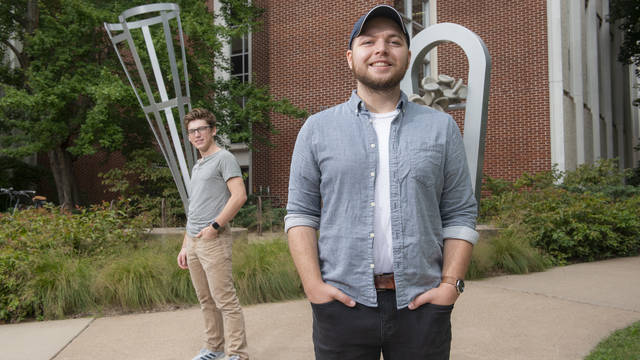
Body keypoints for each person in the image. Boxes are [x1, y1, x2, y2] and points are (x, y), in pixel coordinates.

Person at [285, 5, 478, 359]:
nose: (381, 49)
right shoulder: (317, 129)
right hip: (342, 306)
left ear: (406, 55)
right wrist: (313, 285)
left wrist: (450, 284)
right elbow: (300, 213)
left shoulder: (441, 129)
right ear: (350, 57)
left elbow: (460, 213)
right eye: (368, 41)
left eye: (393, 41)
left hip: (421, 308)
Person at [177, 108, 249, 360]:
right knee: (205, 300)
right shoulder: (198, 165)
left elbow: (239, 196)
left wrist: (215, 226)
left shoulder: (224, 158)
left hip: (213, 240)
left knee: (225, 300)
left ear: (213, 130)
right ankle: (214, 349)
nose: (197, 135)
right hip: (195, 242)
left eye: (201, 129)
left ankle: (237, 354)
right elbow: (194, 208)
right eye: (192, 131)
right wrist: (185, 245)